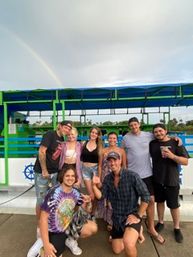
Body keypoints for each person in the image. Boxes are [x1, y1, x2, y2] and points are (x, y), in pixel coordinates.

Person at [92, 151, 150, 257]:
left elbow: (146, 196)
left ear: (120, 161)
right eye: (109, 161)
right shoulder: (108, 178)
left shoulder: (132, 176)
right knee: (117, 250)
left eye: (115, 160)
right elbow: (101, 197)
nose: (112, 163)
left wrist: (138, 215)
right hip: (117, 219)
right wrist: (94, 186)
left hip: (131, 216)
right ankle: (134, 233)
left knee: (128, 244)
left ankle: (134, 231)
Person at [122, 117, 165, 244]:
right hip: (132, 175)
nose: (134, 127)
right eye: (131, 125)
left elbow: (161, 137)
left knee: (150, 201)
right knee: (133, 202)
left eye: (135, 124)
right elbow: (123, 153)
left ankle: (151, 228)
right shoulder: (126, 138)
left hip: (147, 174)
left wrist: (175, 139)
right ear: (129, 127)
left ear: (139, 124)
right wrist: (124, 170)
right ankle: (135, 228)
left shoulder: (148, 135)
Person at [38, 166, 97, 257]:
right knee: (51, 252)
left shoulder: (76, 192)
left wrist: (88, 203)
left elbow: (85, 210)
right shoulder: (53, 194)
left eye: (73, 176)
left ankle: (69, 239)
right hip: (54, 230)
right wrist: (46, 245)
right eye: (67, 176)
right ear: (62, 177)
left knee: (93, 227)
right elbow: (43, 219)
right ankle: (42, 240)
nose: (70, 178)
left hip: (67, 225)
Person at [150, 123, 189, 243]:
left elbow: (185, 161)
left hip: (171, 180)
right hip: (157, 179)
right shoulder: (153, 143)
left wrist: (172, 156)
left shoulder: (176, 143)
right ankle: (160, 222)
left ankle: (176, 228)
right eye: (156, 132)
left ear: (166, 131)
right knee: (160, 202)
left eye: (160, 131)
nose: (158, 133)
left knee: (174, 205)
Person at [34, 120, 73, 234]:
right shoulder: (50, 134)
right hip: (43, 173)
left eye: (70, 128)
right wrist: (44, 170)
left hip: (55, 173)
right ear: (60, 126)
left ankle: (50, 223)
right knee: (41, 200)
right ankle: (40, 225)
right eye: (66, 127)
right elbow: (42, 151)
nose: (68, 130)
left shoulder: (62, 140)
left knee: (54, 199)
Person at [97, 132, 126, 230]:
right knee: (107, 199)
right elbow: (100, 166)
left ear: (117, 140)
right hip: (106, 177)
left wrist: (124, 178)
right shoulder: (103, 150)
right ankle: (109, 220)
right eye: (110, 138)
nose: (112, 140)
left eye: (114, 138)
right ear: (107, 139)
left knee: (117, 198)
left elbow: (124, 166)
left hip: (118, 176)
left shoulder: (121, 151)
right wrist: (100, 179)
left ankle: (117, 219)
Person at [80, 126, 103, 215]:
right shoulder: (83, 143)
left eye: (96, 133)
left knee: (95, 193)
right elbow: (80, 159)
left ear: (98, 135)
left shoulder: (100, 146)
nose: (93, 134)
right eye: (92, 132)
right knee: (91, 195)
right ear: (90, 133)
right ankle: (91, 211)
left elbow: (100, 165)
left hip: (95, 170)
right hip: (85, 170)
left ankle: (92, 212)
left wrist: (99, 177)